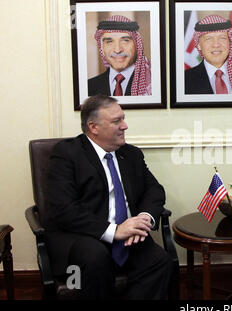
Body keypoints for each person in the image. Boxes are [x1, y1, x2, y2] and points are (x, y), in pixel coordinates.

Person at [44, 95, 172, 299]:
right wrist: (114, 231)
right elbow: (63, 209)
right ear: (93, 127)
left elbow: (154, 190)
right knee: (95, 258)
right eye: (116, 121)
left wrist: (144, 218)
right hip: (84, 235)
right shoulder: (67, 154)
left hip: (129, 234)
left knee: (160, 262)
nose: (125, 126)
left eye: (123, 118)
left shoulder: (131, 154)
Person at [88, 15, 151, 97]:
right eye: (109, 42)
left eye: (125, 41)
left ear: (137, 46)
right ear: (102, 48)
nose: (117, 50)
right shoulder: (89, 86)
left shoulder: (151, 84)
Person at [185, 14, 232, 95]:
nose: (216, 44)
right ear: (199, 45)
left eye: (222, 38)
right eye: (209, 38)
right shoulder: (184, 80)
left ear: (230, 42)